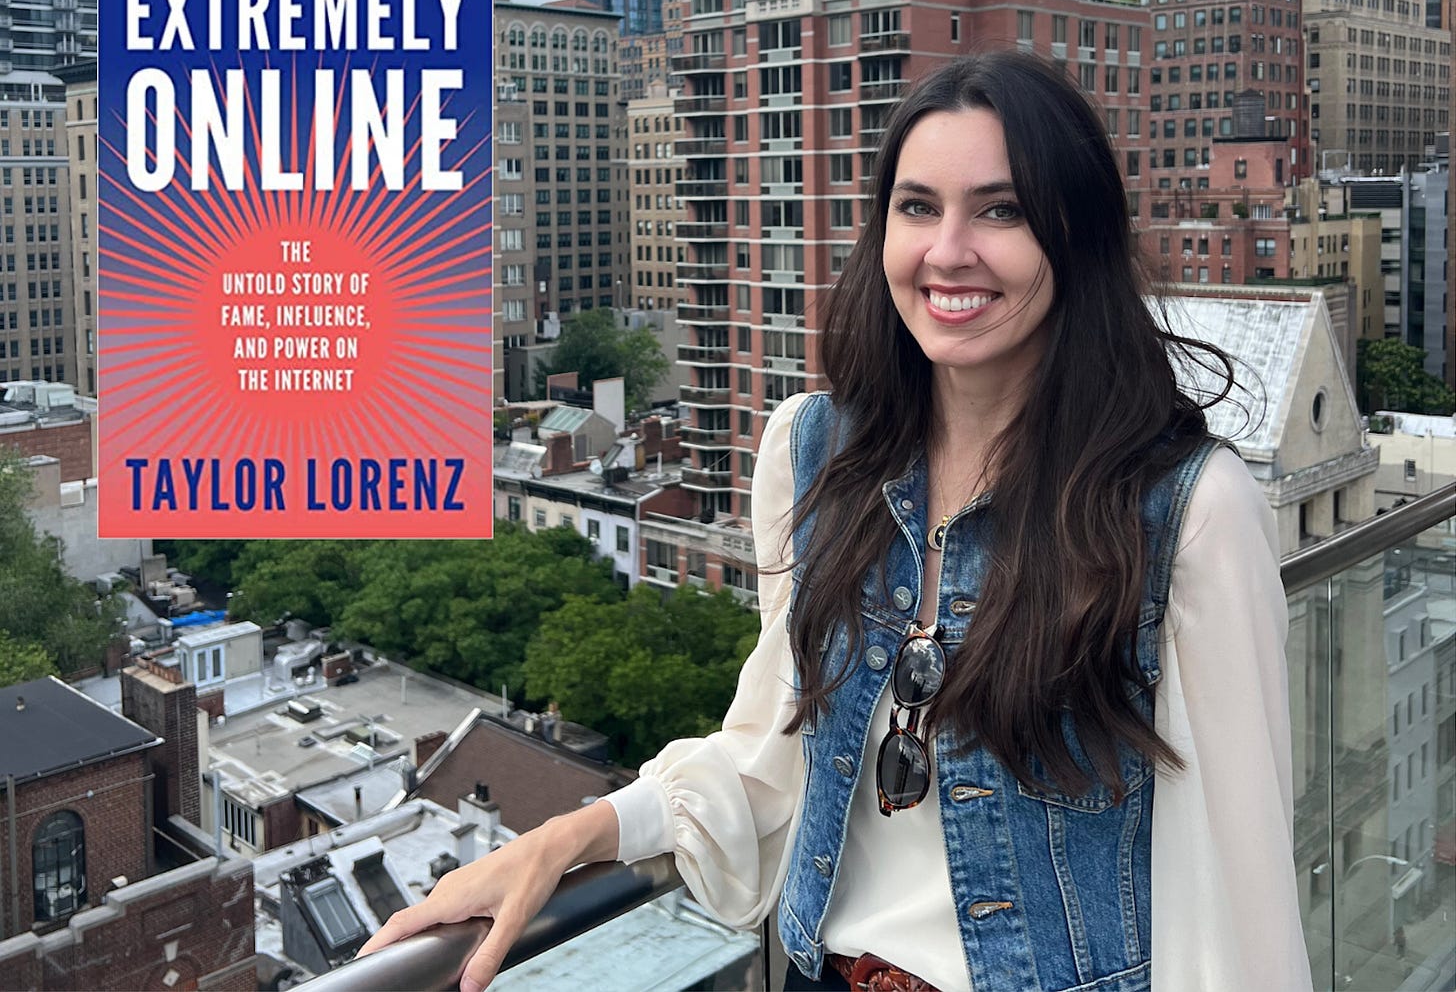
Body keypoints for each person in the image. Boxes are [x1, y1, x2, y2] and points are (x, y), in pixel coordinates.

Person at [358, 51, 1311, 992]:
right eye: (917, 207)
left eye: (1001, 210)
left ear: (1078, 237)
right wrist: (574, 835)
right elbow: (774, 756)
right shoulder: (819, 454)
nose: (947, 252)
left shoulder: (1183, 510)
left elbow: (1235, 900)